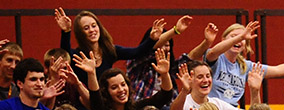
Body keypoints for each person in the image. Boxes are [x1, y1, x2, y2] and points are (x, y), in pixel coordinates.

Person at [55, 9, 186, 85]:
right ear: (80, 33)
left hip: (107, 100)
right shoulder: (79, 55)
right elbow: (66, 55)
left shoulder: (109, 50)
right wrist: (66, 32)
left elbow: (136, 52)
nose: (92, 30)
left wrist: (152, 39)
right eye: (86, 28)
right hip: (85, 104)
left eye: (94, 26)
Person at [203, 22, 284, 107]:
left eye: (242, 39)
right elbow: (213, 52)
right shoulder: (217, 58)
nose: (238, 40)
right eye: (234, 36)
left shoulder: (245, 66)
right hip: (213, 109)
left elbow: (278, 70)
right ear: (224, 39)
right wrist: (241, 36)